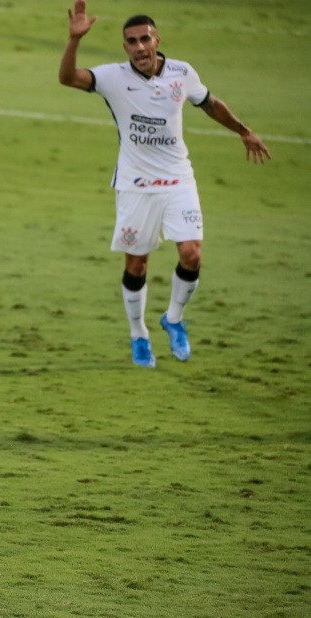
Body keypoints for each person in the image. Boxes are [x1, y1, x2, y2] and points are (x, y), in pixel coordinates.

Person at [58, 0, 270, 368]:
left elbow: (209, 103)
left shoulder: (182, 73)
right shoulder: (113, 77)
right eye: (131, 41)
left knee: (192, 253)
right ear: (124, 47)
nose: (139, 47)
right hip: (135, 185)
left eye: (145, 39)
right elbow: (68, 78)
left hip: (178, 180)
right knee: (137, 264)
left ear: (157, 39)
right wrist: (74, 40)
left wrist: (244, 131)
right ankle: (139, 334)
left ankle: (173, 319)